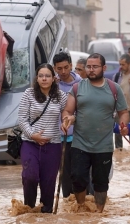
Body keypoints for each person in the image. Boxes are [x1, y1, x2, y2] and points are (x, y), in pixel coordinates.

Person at [61, 53, 129, 213]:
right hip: (80, 144)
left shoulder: (114, 88)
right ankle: (82, 207)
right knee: (77, 179)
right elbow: (68, 110)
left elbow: (123, 112)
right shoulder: (77, 88)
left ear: (103, 68)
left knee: (101, 183)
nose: (91, 70)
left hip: (103, 145)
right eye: (88, 67)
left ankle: (99, 213)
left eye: (95, 67)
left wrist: (124, 125)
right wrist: (67, 119)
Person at [18, 63, 67, 213]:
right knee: (30, 177)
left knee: (49, 183)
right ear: (37, 78)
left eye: (47, 76)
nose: (44, 79)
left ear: (53, 78)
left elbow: (67, 113)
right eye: (41, 76)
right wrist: (33, 135)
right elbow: (21, 119)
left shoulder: (61, 96)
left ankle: (46, 215)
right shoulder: (29, 94)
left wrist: (65, 122)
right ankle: (29, 209)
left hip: (53, 146)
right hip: (30, 143)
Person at [53, 52, 82, 198]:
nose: (63, 72)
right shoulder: (52, 85)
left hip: (78, 137)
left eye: (66, 67)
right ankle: (67, 203)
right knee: (63, 173)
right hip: (58, 137)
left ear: (71, 65)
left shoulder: (81, 84)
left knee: (78, 173)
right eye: (59, 69)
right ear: (55, 68)